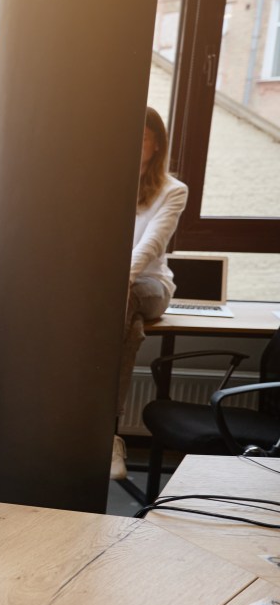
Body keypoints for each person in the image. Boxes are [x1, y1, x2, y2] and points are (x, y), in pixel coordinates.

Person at [111, 107, 189, 480]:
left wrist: (116, 280)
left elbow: (151, 245)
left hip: (151, 286)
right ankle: (106, 437)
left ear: (156, 144)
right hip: (112, 293)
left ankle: (107, 433)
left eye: (141, 138)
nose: (133, 146)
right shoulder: (107, 183)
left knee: (121, 301)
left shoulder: (173, 191)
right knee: (127, 324)